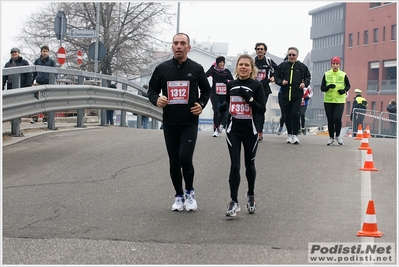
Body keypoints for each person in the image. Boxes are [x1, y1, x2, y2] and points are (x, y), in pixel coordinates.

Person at [147, 33, 211, 212]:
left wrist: (201, 104)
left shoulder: (196, 69)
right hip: (169, 123)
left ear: (188, 48)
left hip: (189, 122)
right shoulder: (162, 69)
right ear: (172, 47)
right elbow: (151, 91)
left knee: (185, 158)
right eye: (176, 43)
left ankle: (190, 192)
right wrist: (156, 99)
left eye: (183, 43)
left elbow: (207, 91)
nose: (179, 46)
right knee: (174, 161)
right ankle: (178, 195)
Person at [218, 54, 266, 217]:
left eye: (246, 65)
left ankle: (251, 195)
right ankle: (233, 201)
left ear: (252, 68)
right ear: (237, 67)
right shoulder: (230, 84)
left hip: (250, 131)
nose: (243, 67)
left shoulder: (256, 85)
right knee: (235, 165)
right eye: (241, 65)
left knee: (249, 164)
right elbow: (227, 101)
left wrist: (249, 99)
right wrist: (223, 107)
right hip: (234, 130)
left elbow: (261, 109)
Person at [275, 47, 311, 144]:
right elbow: (276, 77)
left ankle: (295, 134)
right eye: (289, 55)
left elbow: (308, 77)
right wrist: (281, 82)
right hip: (285, 94)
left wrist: (305, 84)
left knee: (295, 114)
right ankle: (289, 134)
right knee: (286, 115)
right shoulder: (282, 66)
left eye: (293, 55)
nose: (291, 57)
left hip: (297, 94)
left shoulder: (302, 67)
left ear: (297, 56)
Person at [320, 56, 351, 145]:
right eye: (333, 64)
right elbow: (322, 88)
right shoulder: (326, 74)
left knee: (337, 118)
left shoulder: (343, 74)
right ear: (331, 64)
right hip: (328, 100)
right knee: (330, 120)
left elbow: (348, 86)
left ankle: (338, 136)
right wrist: (328, 87)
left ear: (339, 65)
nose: (335, 65)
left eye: (337, 64)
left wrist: (344, 91)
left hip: (339, 100)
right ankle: (331, 138)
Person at [254, 42, 278, 141]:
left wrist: (273, 77)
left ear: (265, 51)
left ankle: (260, 131)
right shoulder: (252, 61)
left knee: (260, 110)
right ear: (255, 50)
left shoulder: (269, 61)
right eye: (258, 49)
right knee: (253, 110)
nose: (259, 50)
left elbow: (278, 70)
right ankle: (254, 130)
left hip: (265, 89)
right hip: (254, 88)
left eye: (261, 49)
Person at [205, 56, 234, 137]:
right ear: (216, 63)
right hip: (214, 93)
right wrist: (211, 67)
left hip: (224, 94)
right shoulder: (213, 71)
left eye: (223, 62)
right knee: (216, 111)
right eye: (220, 62)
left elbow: (232, 81)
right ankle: (215, 130)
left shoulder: (227, 71)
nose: (221, 64)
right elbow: (205, 75)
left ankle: (219, 125)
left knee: (223, 111)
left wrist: (227, 81)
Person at [31, 45, 57, 123]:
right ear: (41, 52)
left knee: (46, 101)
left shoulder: (51, 61)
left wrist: (53, 81)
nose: (45, 53)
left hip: (48, 83)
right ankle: (35, 117)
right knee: (36, 100)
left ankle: (45, 118)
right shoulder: (37, 61)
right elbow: (34, 72)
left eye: (46, 51)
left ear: (48, 52)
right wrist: (32, 81)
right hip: (39, 83)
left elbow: (55, 72)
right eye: (43, 51)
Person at [276, 55, 288, 135]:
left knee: (292, 113)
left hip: (294, 94)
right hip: (282, 94)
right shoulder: (281, 70)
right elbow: (277, 78)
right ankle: (281, 125)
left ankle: (290, 131)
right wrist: (281, 82)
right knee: (284, 114)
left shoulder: (297, 69)